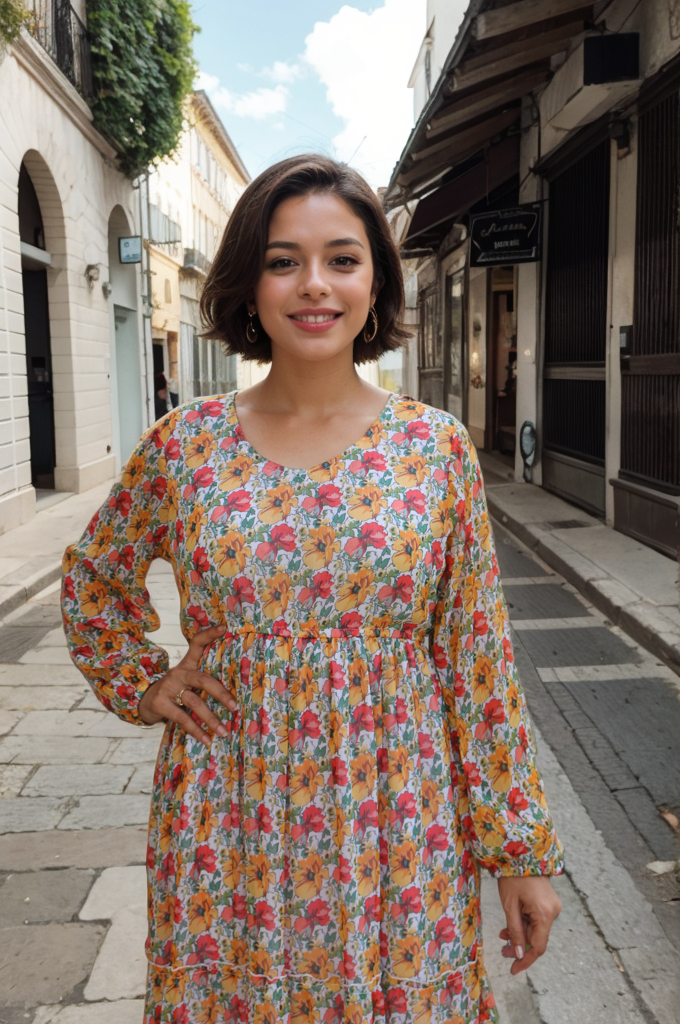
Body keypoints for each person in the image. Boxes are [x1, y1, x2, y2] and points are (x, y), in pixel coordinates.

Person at [62, 154, 563, 1024]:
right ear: (249, 283)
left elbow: (477, 661)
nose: (313, 286)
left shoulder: (433, 450)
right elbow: (94, 576)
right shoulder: (186, 446)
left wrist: (517, 850)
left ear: (376, 280)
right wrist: (142, 682)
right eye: (282, 260)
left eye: (341, 258)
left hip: (399, 814)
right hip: (229, 810)